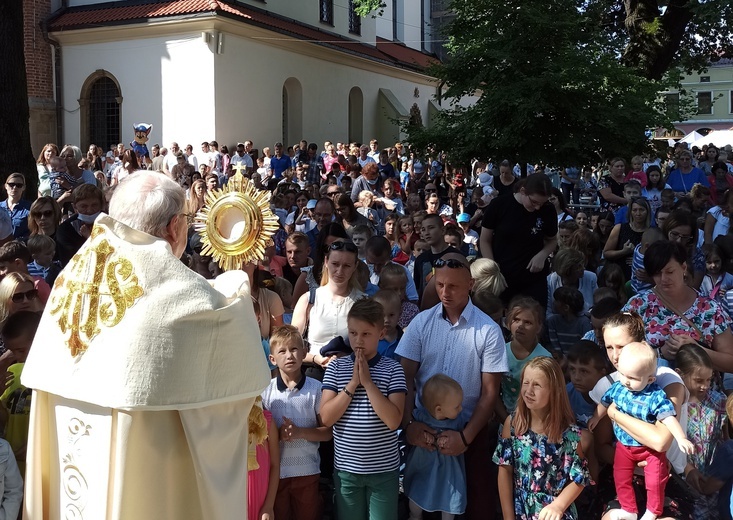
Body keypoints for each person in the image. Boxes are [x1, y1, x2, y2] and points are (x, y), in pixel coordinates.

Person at [21, 170, 270, 519]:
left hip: (70, 438)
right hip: (148, 460)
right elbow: (235, 355)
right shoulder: (184, 292)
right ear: (173, 227)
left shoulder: (72, 276)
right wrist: (238, 287)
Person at [396, 253, 508, 520]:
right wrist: (409, 424)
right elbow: (405, 377)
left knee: (472, 506)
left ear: (470, 284)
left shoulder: (488, 330)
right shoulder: (420, 323)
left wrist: (466, 437)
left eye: (453, 286)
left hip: (469, 429)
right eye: (440, 285)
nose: (445, 292)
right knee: (417, 502)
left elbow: (490, 393)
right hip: (422, 426)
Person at [320, 298, 407, 520]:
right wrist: (351, 385)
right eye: (353, 333)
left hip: (383, 472)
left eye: (366, 334)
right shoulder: (336, 368)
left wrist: (368, 383)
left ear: (380, 332)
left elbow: (393, 421)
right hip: (347, 471)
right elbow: (326, 418)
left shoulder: (393, 369)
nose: (358, 340)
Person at [589, 342, 694, 520]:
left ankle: (653, 511)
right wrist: (596, 417)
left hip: (649, 451)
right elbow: (604, 403)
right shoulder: (618, 388)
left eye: (633, 378)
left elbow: (668, 418)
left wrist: (681, 438)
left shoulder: (655, 396)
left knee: (654, 482)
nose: (626, 381)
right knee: (620, 477)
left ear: (650, 379)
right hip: (625, 447)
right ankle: (629, 509)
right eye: (622, 374)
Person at [494, 356, 591, 520]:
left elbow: (579, 479)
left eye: (537, 385)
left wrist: (559, 505)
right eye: (526, 382)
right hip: (520, 510)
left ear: (555, 391)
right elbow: (504, 472)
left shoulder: (570, 435)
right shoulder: (513, 425)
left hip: (552, 513)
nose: (529, 390)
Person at [624, 240, 733, 372]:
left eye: (669, 272)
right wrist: (659, 353)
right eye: (657, 273)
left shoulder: (710, 309)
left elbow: (730, 362)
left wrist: (696, 351)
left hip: (701, 391)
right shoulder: (637, 306)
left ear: (683, 267)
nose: (663, 279)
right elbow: (620, 355)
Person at [480, 173, 557, 307]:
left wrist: (543, 255)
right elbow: (485, 240)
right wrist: (492, 269)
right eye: (534, 202)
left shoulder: (548, 210)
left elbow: (552, 240)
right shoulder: (499, 205)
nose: (537, 207)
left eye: (542, 203)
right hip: (503, 276)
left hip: (533, 279)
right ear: (523, 191)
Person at [291, 240, 364, 373]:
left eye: (347, 266)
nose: (340, 271)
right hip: (314, 373)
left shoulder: (363, 302)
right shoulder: (308, 300)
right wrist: (315, 359)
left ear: (355, 266)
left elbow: (371, 345)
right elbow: (291, 347)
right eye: (335, 264)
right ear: (326, 262)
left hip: (351, 373)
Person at [403, 374, 468, 520]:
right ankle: (414, 516)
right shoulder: (421, 417)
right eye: (457, 406)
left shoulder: (458, 420)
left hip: (449, 472)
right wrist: (425, 436)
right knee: (417, 494)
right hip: (423, 467)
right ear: (439, 409)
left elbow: (464, 439)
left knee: (450, 498)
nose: (461, 408)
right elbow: (414, 428)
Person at [674, 344, 727, 519]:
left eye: (709, 380)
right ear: (680, 374)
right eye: (699, 380)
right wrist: (688, 468)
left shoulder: (719, 402)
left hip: (713, 481)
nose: (705, 386)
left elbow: (726, 441)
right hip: (683, 480)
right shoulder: (673, 405)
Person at [496, 297, 552, 421]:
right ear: (509, 322)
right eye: (516, 320)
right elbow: (492, 392)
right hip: (505, 417)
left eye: (528, 322)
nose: (520, 325)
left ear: (538, 327)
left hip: (535, 419)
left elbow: (549, 398)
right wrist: (506, 420)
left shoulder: (545, 358)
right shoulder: (499, 352)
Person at [54, 183, 105, 266]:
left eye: (94, 205)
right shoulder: (65, 229)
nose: (89, 210)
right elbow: (69, 260)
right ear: (75, 207)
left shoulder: (109, 224)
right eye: (84, 206)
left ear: (101, 205)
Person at [247, 398, 280, 520]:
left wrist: (269, 506)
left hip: (259, 499)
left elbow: (275, 465)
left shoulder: (267, 422)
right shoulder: (228, 423)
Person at [604, 196, 652, 280]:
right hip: (619, 275)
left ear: (647, 212)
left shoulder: (652, 232)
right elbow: (606, 253)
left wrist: (638, 259)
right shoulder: (619, 228)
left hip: (641, 276)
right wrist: (623, 252)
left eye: (641, 210)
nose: (638, 213)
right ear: (630, 212)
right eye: (635, 210)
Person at [566, 341, 608, 429]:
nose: (576, 377)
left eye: (584, 371)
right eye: (572, 369)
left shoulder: (610, 396)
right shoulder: (566, 394)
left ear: (602, 373)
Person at [547, 248, 598, 318]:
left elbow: (596, 306)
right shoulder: (550, 281)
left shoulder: (591, 277)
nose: (583, 268)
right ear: (567, 269)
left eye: (583, 265)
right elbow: (548, 312)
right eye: (579, 266)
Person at [547, 287, 592, 354]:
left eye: (556, 300)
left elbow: (586, 346)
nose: (554, 303)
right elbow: (555, 346)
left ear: (566, 307)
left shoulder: (584, 323)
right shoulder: (553, 321)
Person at [1, 173, 31, 241]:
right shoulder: (0, 207)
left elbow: (33, 231)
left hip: (20, 248)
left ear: (23, 187)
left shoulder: (30, 207)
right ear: (6, 186)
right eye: (11, 184)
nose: (14, 187)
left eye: (19, 185)